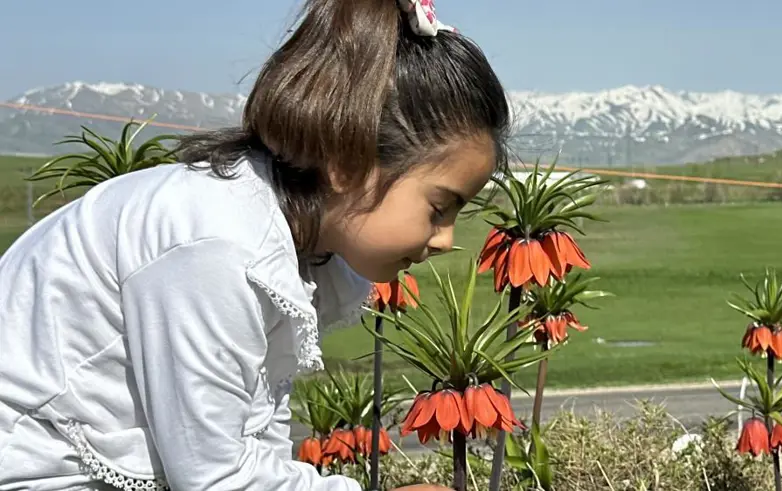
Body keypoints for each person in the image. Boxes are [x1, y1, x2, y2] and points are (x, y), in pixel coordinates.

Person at [0, 0, 510, 489]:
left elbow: (255, 430)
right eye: (439, 208)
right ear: (348, 164)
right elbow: (215, 478)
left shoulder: (287, 238)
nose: (446, 240)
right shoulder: (217, 246)